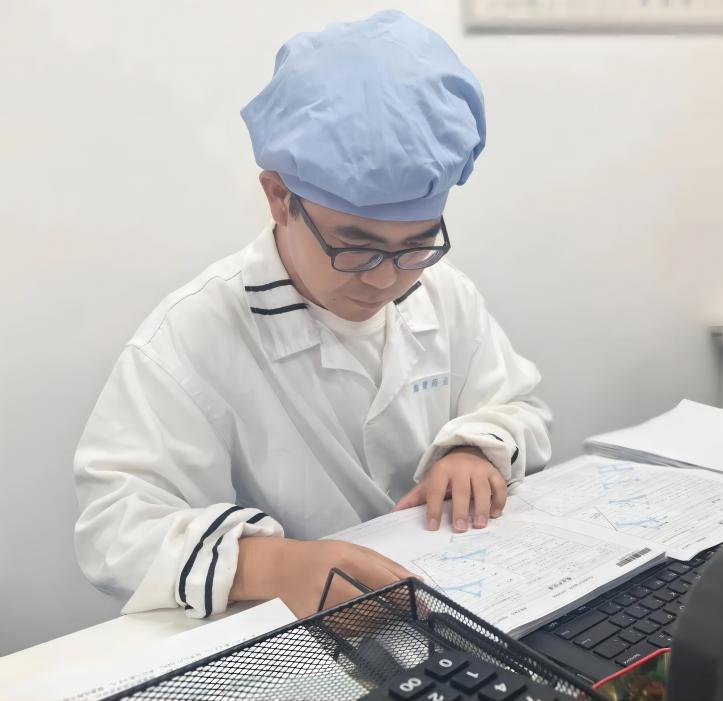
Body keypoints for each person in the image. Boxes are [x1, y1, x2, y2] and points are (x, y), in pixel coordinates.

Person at [74, 10, 551, 620]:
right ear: (279, 197)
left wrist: (474, 451)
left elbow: (518, 407)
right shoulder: (192, 336)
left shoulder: (444, 294)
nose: (385, 278)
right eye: (354, 246)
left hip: (448, 607)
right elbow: (114, 527)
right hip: (287, 635)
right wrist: (274, 565)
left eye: (415, 245)